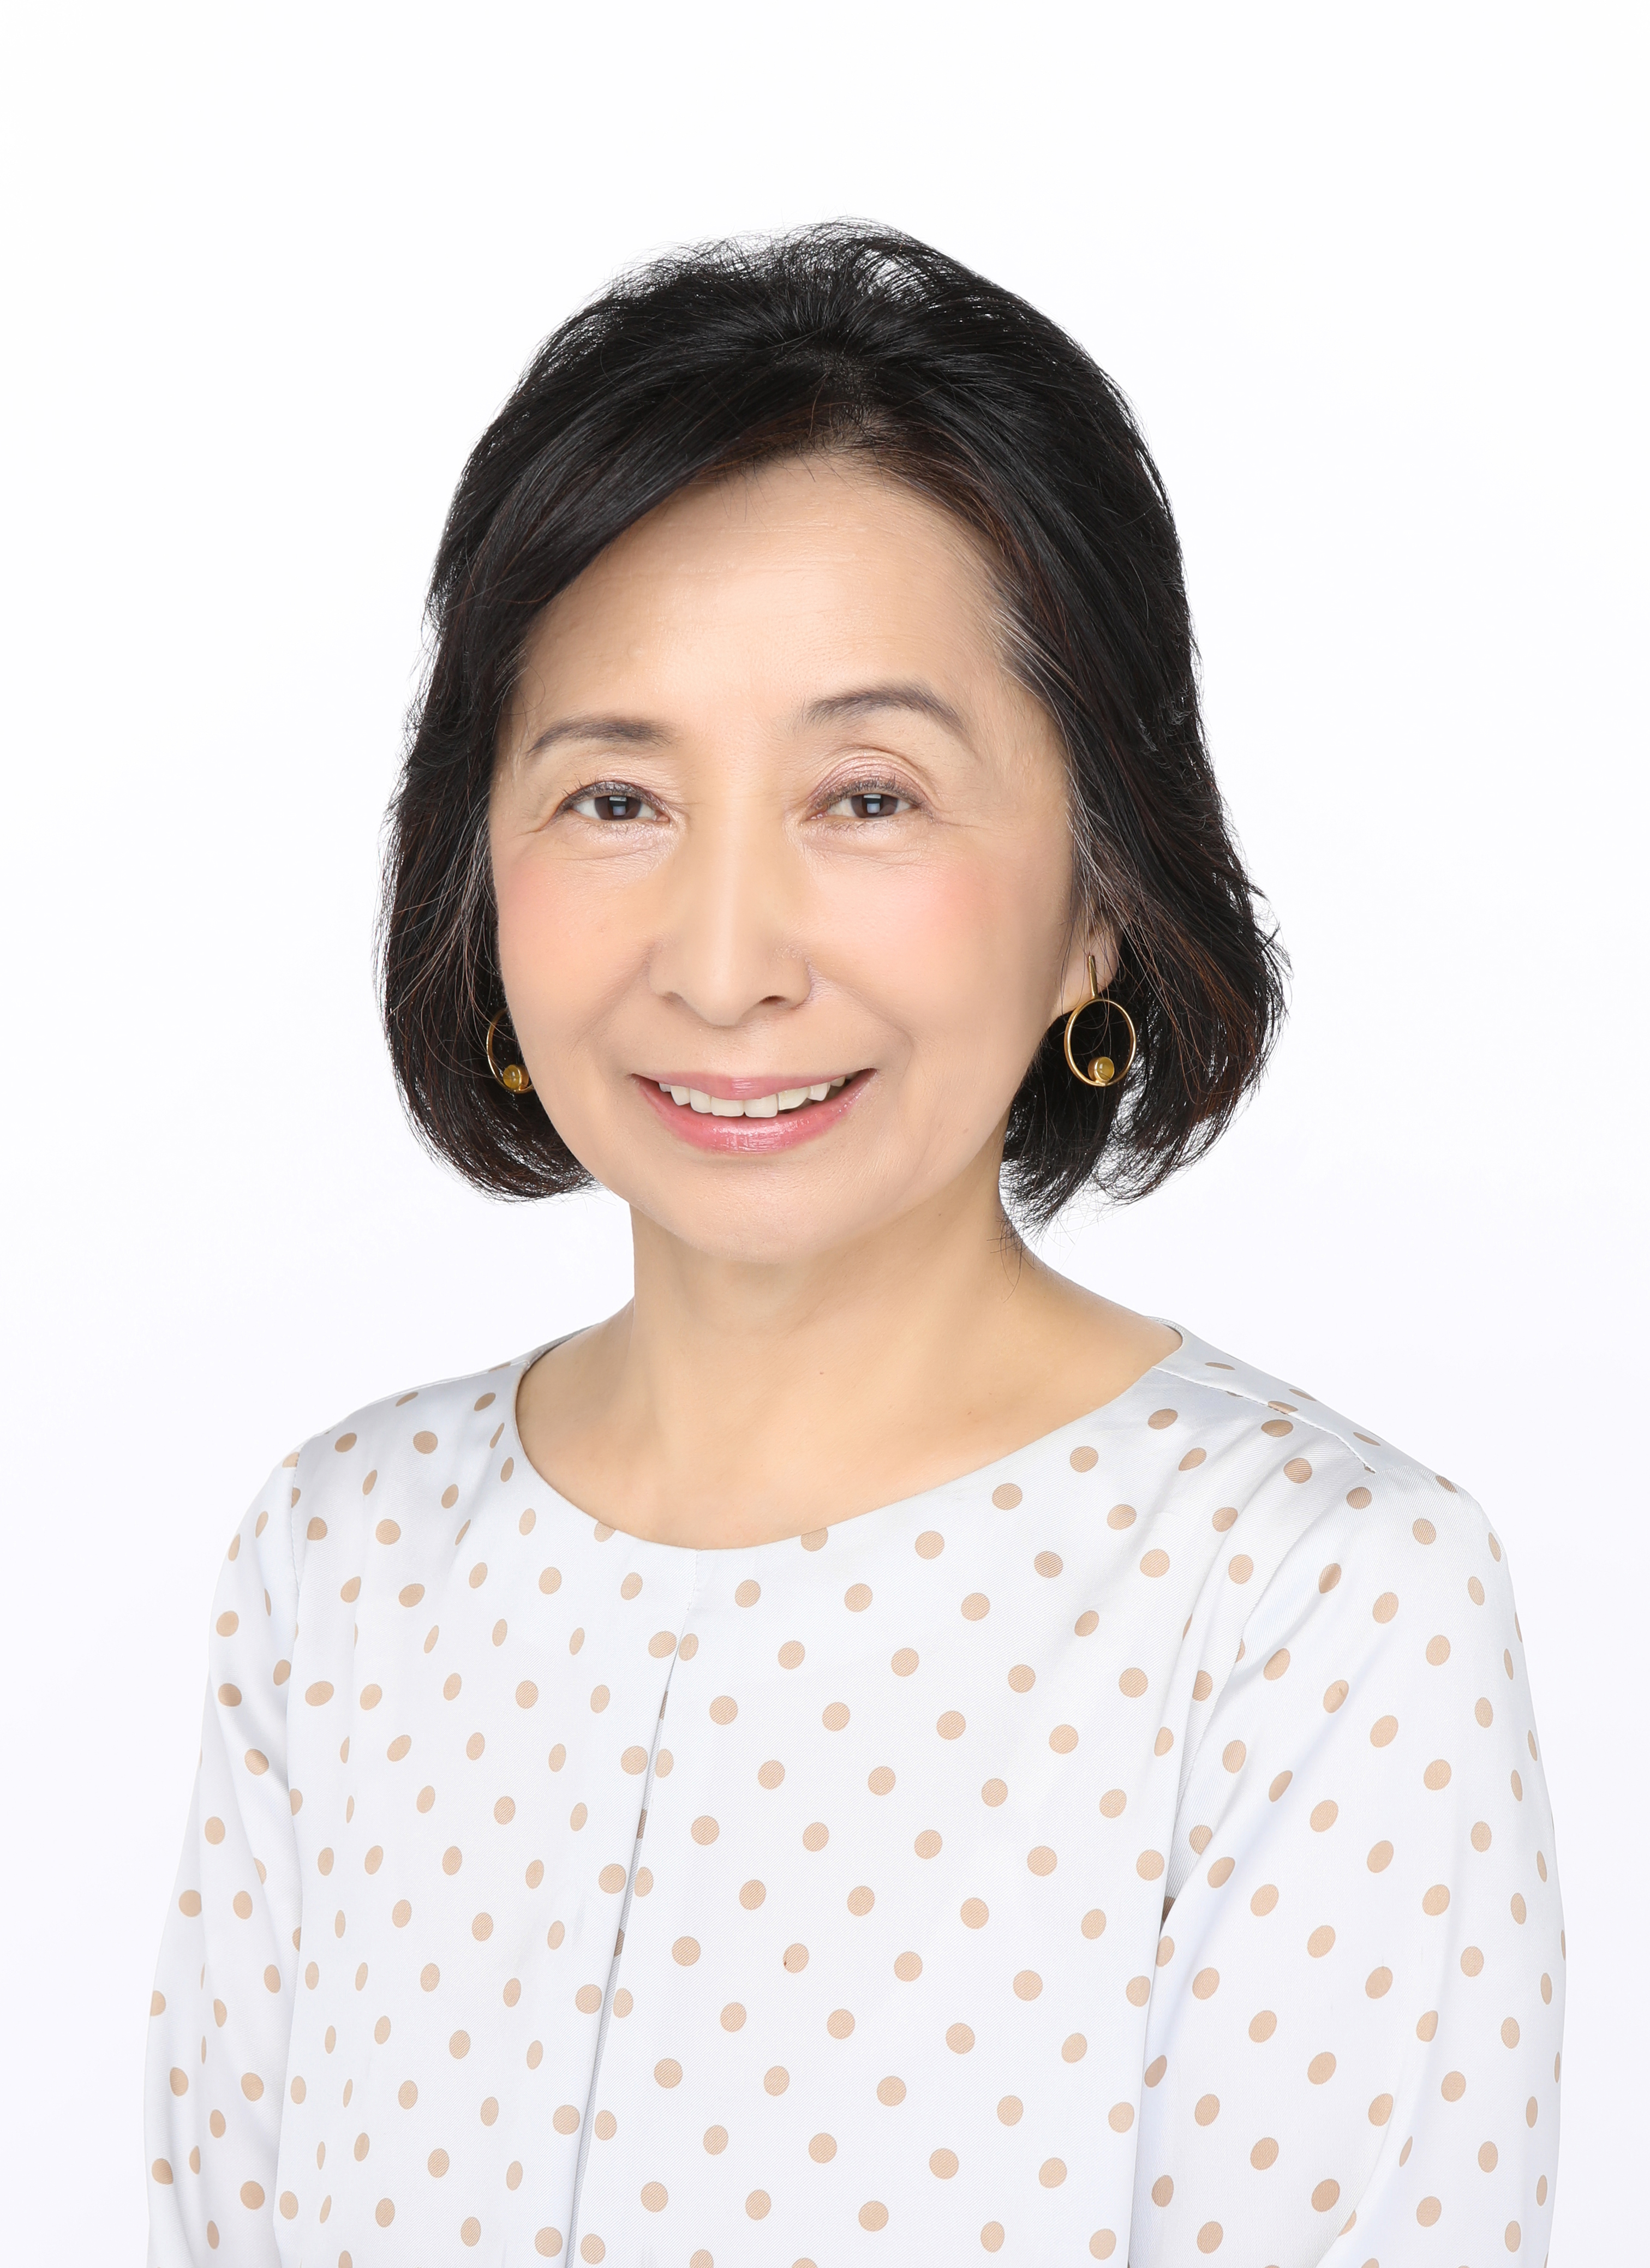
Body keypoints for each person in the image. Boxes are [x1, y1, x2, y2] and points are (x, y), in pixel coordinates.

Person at [145, 225, 1562, 2267]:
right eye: (615, 798)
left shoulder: (1313, 1608)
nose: (725, 963)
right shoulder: (341, 1555)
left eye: (869, 798)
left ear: (1102, 892)